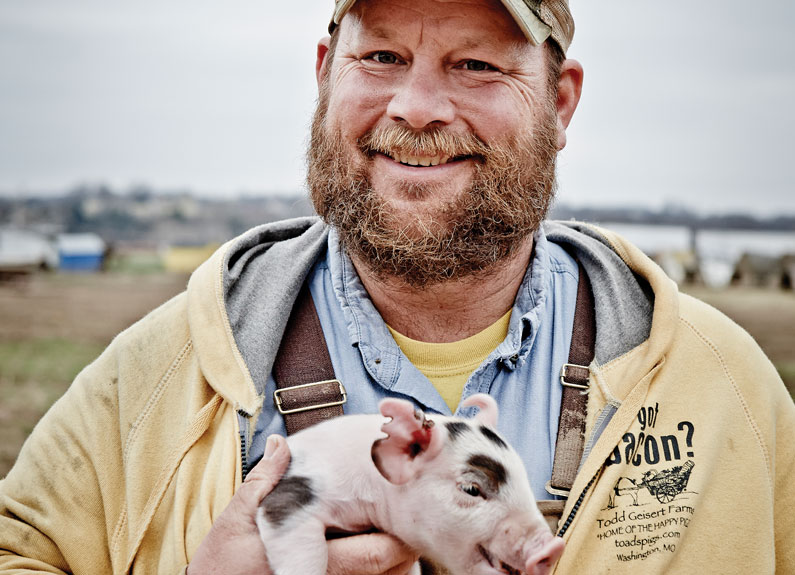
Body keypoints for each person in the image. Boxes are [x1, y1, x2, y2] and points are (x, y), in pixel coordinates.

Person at [1, 0, 793, 573]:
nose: (415, 108)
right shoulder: (147, 379)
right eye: (380, 56)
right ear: (324, 74)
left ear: (558, 102)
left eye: (475, 63)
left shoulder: (728, 396)